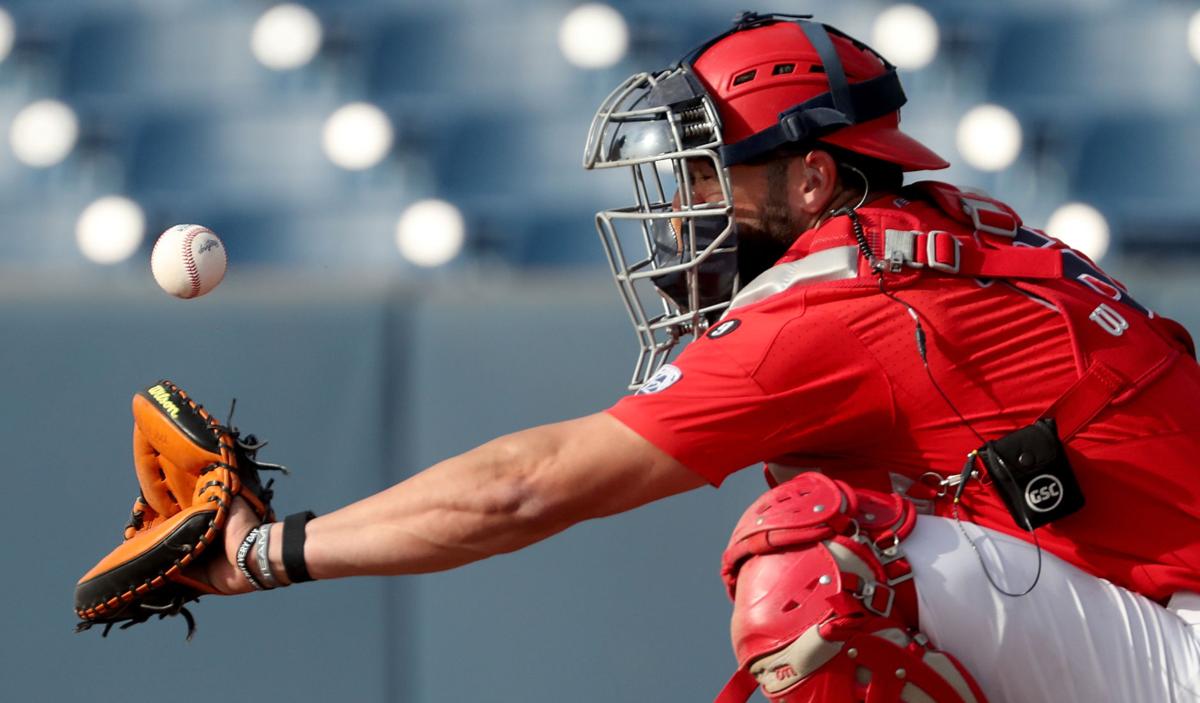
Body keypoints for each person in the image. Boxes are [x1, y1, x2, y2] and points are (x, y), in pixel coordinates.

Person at [199, 13, 1200, 703]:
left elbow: (524, 490)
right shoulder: (937, 237)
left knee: (818, 558)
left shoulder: (846, 302)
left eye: (713, 177)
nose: (683, 214)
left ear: (814, 179)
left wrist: (265, 551)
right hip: (1147, 620)